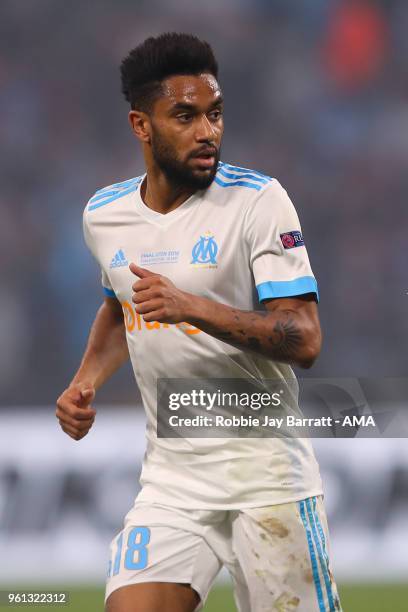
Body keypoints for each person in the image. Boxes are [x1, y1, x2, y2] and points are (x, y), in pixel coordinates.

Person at [56, 33, 342, 612]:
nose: (207, 131)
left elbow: (305, 338)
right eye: (184, 116)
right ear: (142, 125)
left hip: (266, 477)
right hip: (174, 480)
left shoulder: (260, 203)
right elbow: (121, 305)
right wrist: (84, 381)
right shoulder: (105, 215)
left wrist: (194, 307)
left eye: (214, 114)